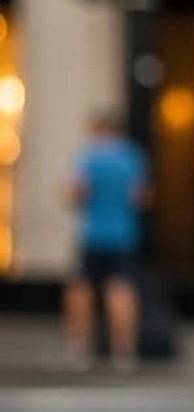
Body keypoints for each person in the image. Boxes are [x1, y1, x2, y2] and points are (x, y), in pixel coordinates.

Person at [63, 112, 150, 370]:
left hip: (93, 233)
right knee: (121, 290)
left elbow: (77, 191)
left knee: (82, 289)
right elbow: (141, 197)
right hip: (124, 233)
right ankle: (124, 351)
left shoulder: (89, 156)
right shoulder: (133, 157)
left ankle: (80, 347)